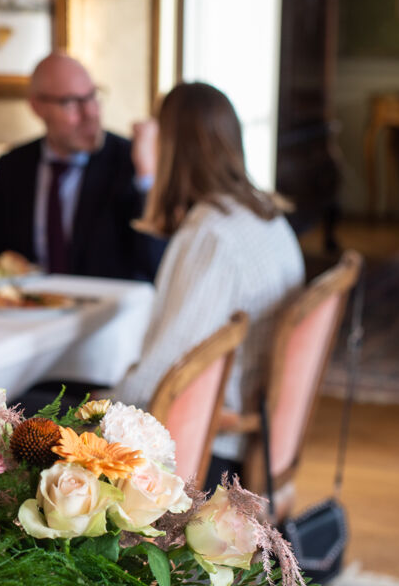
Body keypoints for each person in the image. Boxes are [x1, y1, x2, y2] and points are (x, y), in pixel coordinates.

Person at [115, 82, 304, 491]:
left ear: (171, 148)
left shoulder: (212, 235)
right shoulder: (267, 217)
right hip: (252, 434)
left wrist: (100, 406)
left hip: (210, 448)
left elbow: (164, 375)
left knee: (37, 413)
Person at [0, 52, 166, 281]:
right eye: (71, 103)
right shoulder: (12, 167)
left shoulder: (130, 162)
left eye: (92, 97)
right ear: (37, 107)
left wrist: (147, 178)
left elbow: (155, 265)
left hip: (106, 311)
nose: (90, 113)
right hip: (30, 307)